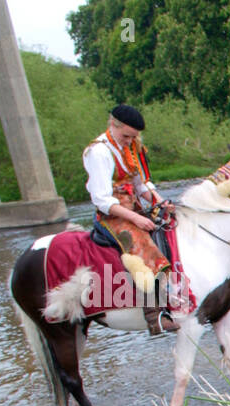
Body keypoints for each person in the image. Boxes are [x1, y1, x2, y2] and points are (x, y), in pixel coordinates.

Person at [83, 104, 182, 334]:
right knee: (141, 243)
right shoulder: (98, 152)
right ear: (113, 125)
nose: (130, 140)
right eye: (126, 135)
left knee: (169, 225)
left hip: (133, 206)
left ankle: (178, 291)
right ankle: (154, 315)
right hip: (112, 215)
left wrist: (161, 201)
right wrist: (136, 220)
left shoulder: (130, 147)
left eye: (134, 136)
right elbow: (101, 200)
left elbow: (141, 185)